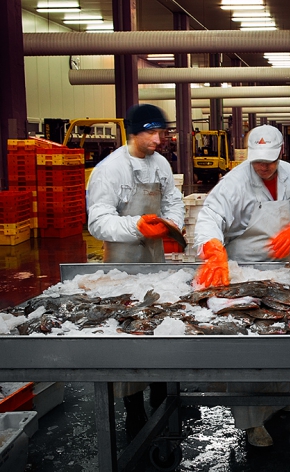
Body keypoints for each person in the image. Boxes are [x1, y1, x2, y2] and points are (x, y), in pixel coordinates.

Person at [193, 124, 290, 447]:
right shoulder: (236, 182)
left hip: (282, 270)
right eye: (257, 161)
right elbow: (210, 216)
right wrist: (213, 251)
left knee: (282, 335)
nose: (263, 167)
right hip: (245, 271)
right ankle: (252, 422)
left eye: (270, 160)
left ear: (281, 153)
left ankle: (280, 399)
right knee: (249, 344)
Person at [86, 103, 185, 439]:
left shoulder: (160, 164)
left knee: (159, 327)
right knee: (128, 335)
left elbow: (173, 200)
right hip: (121, 268)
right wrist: (137, 226)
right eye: (152, 132)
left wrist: (171, 225)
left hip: (155, 264)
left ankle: (162, 398)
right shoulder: (109, 169)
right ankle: (134, 411)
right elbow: (97, 221)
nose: (160, 139)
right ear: (135, 132)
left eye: (163, 132)